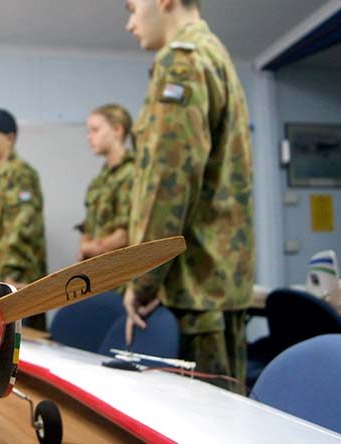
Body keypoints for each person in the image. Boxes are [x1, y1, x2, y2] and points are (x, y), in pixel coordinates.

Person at [122, 0, 254, 392]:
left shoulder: (182, 62)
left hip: (190, 290)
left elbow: (168, 182)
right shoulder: (215, 55)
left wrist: (141, 278)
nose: (130, 23)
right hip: (212, 284)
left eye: (132, 7)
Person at [0, 108, 48, 330]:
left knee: (22, 348)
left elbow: (22, 230)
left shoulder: (21, 174)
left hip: (17, 283)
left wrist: (8, 280)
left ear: (9, 138)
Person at [78, 104, 135, 260]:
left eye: (95, 130)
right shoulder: (99, 180)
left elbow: (125, 235)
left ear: (117, 130)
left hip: (120, 270)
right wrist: (85, 245)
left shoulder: (132, 174)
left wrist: (90, 248)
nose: (89, 137)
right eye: (88, 131)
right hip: (97, 271)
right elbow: (88, 228)